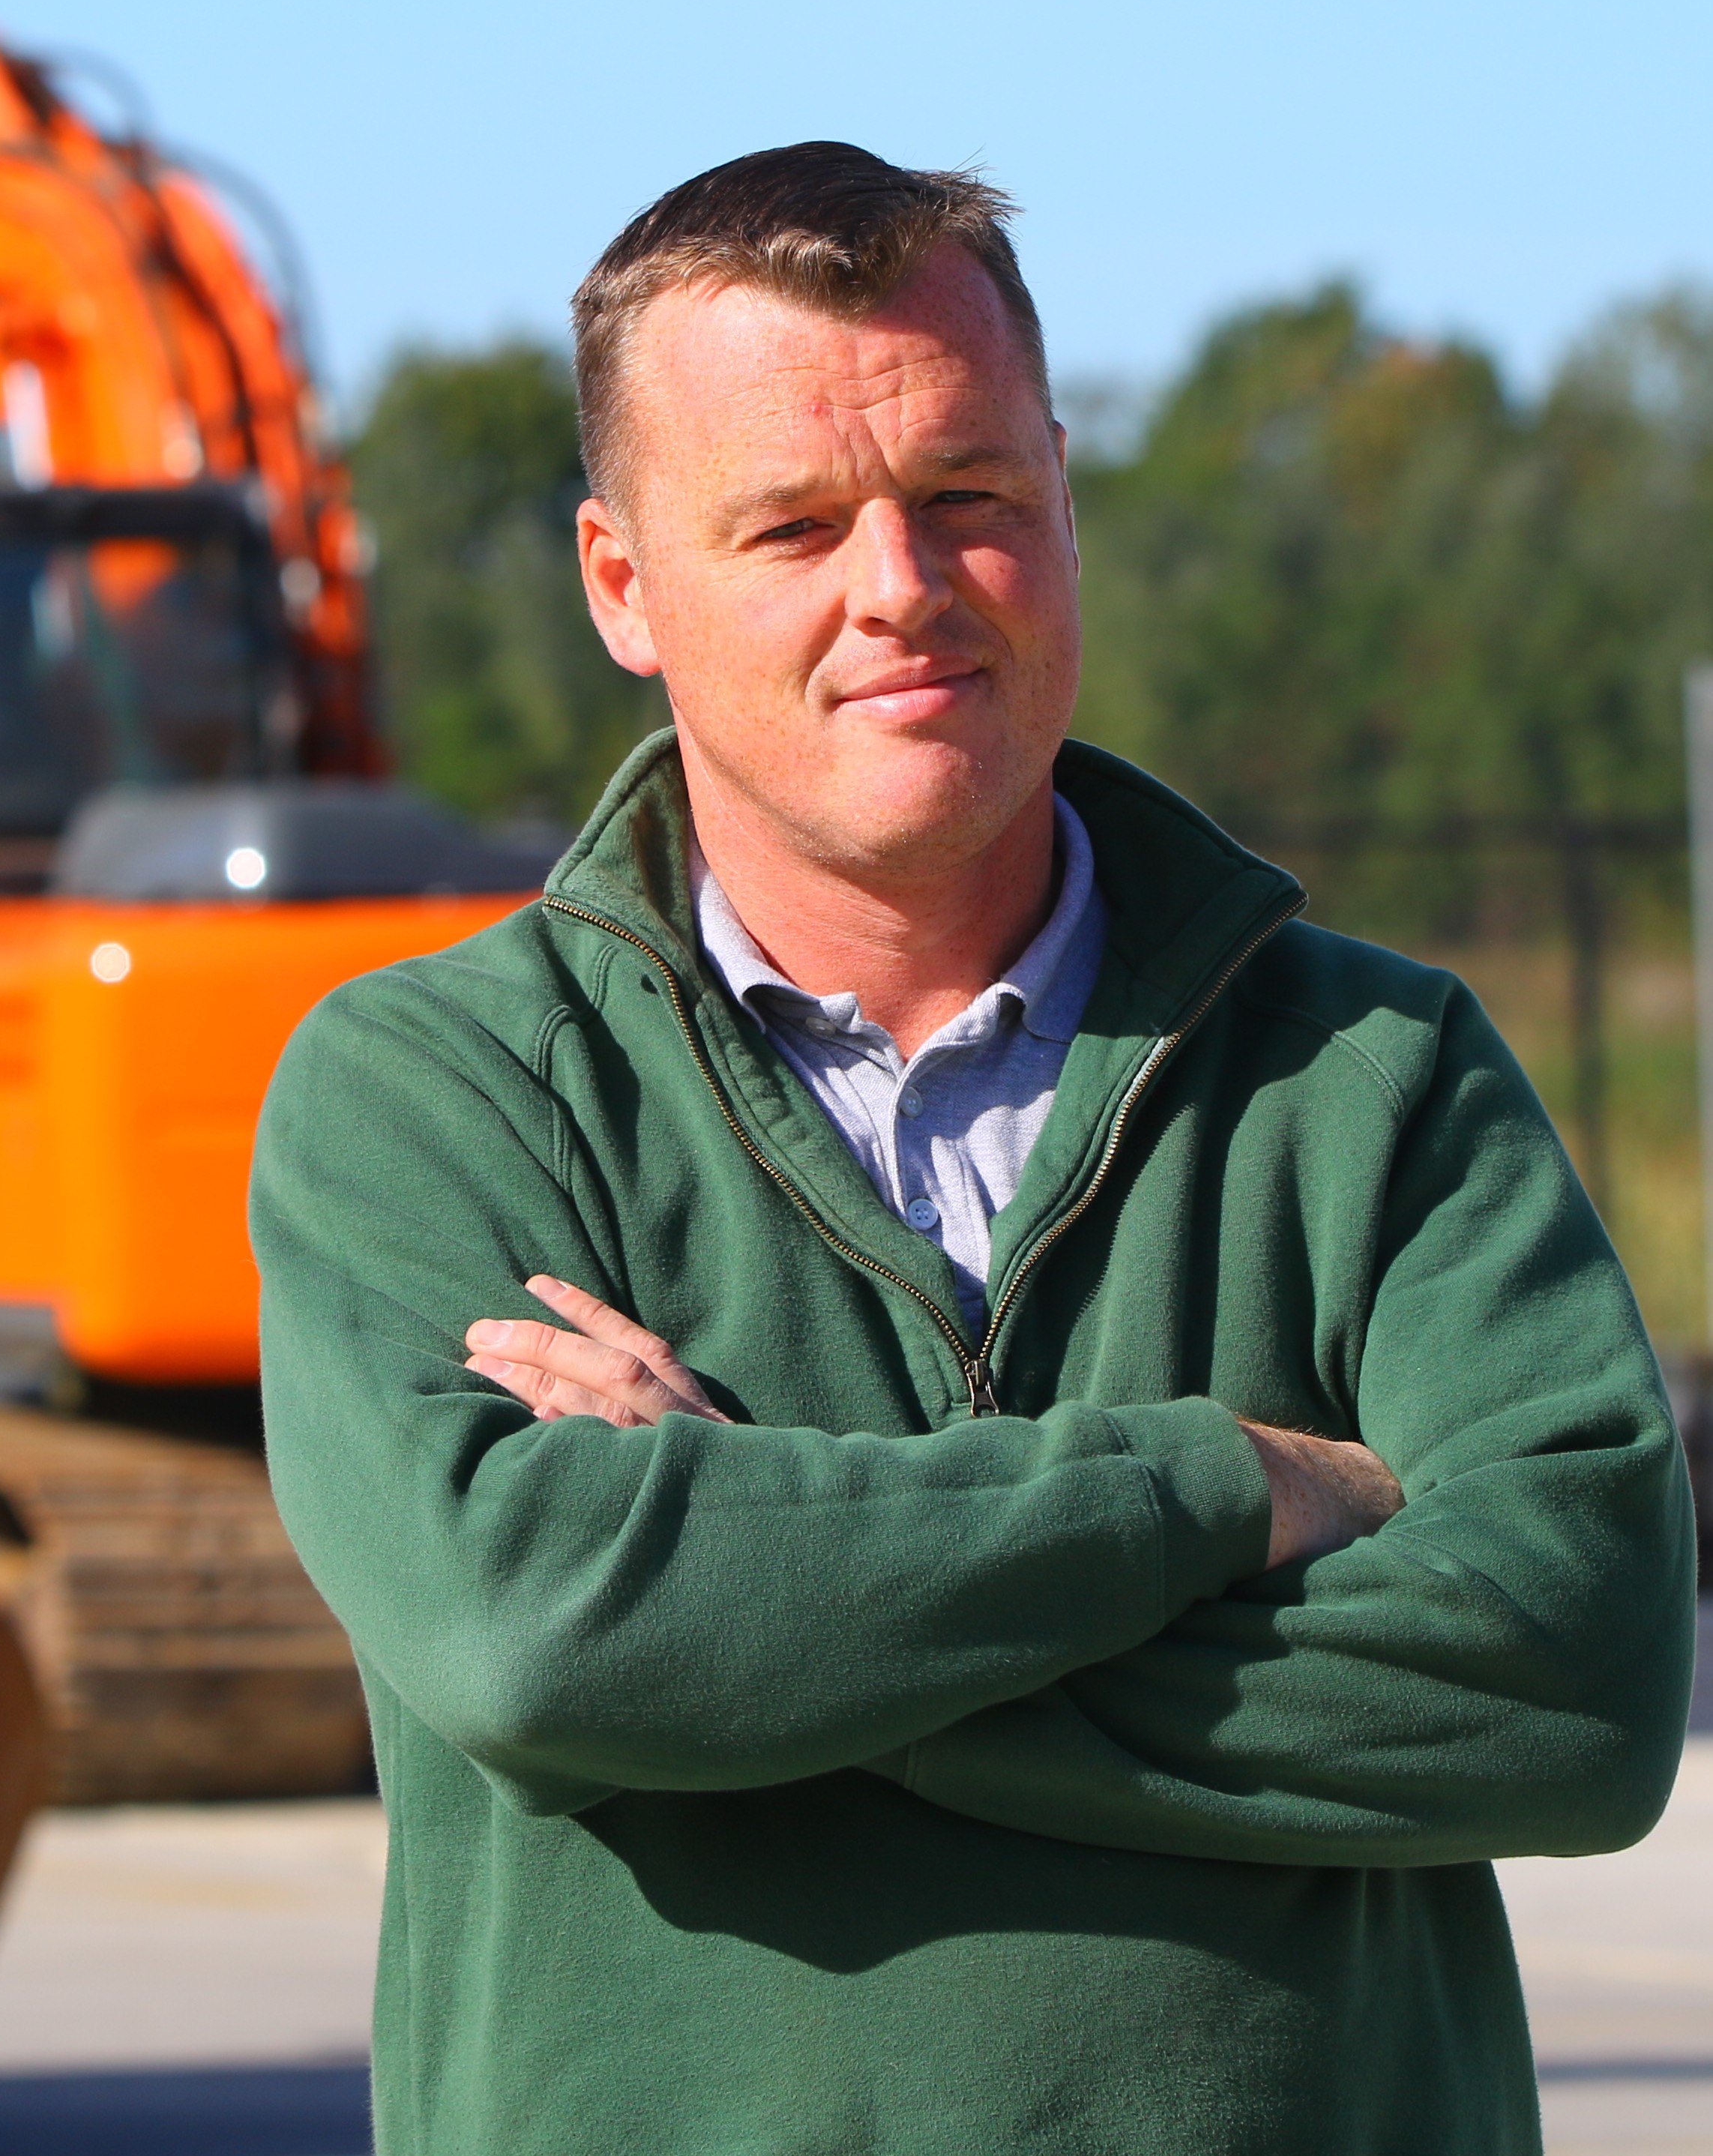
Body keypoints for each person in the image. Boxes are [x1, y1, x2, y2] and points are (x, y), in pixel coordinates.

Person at [252, 142, 1697, 2155]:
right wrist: (1226, 1479)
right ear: (620, 585)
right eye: (790, 526)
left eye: (967, 498)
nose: (900, 587)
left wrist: (762, 1614)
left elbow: (1584, 1680)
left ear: (1065, 499)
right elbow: (543, 1630)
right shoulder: (436, 1095)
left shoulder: (1374, 1072)